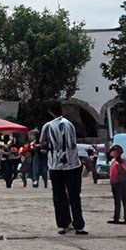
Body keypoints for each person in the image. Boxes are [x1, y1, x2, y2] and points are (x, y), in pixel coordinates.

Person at [40, 100, 87, 235]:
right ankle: (79, 224)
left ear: (50, 112)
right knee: (74, 195)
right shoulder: (69, 125)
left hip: (55, 165)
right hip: (72, 163)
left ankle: (63, 223)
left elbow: (43, 143)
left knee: (59, 195)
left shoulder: (48, 126)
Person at [107, 144, 126, 225]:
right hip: (116, 182)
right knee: (118, 201)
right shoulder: (115, 161)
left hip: (120, 183)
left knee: (122, 199)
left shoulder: (120, 161)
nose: (112, 153)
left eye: (114, 151)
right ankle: (117, 218)